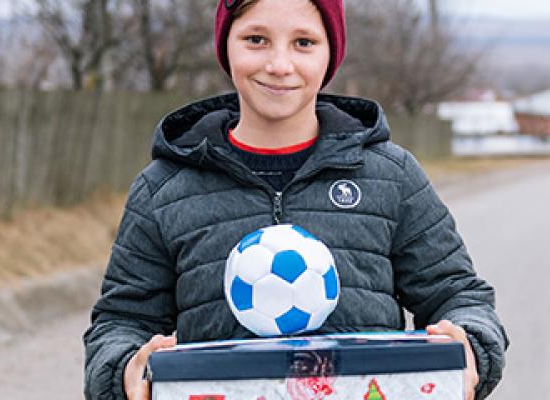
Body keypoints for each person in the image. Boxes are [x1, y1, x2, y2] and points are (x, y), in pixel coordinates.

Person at [83, 1, 508, 399]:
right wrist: (125, 369)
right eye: (256, 40)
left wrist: (469, 343)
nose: (279, 65)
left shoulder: (390, 176)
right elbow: (121, 323)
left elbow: (458, 295)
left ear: (330, 54)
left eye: (304, 42)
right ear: (226, 46)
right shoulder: (164, 189)